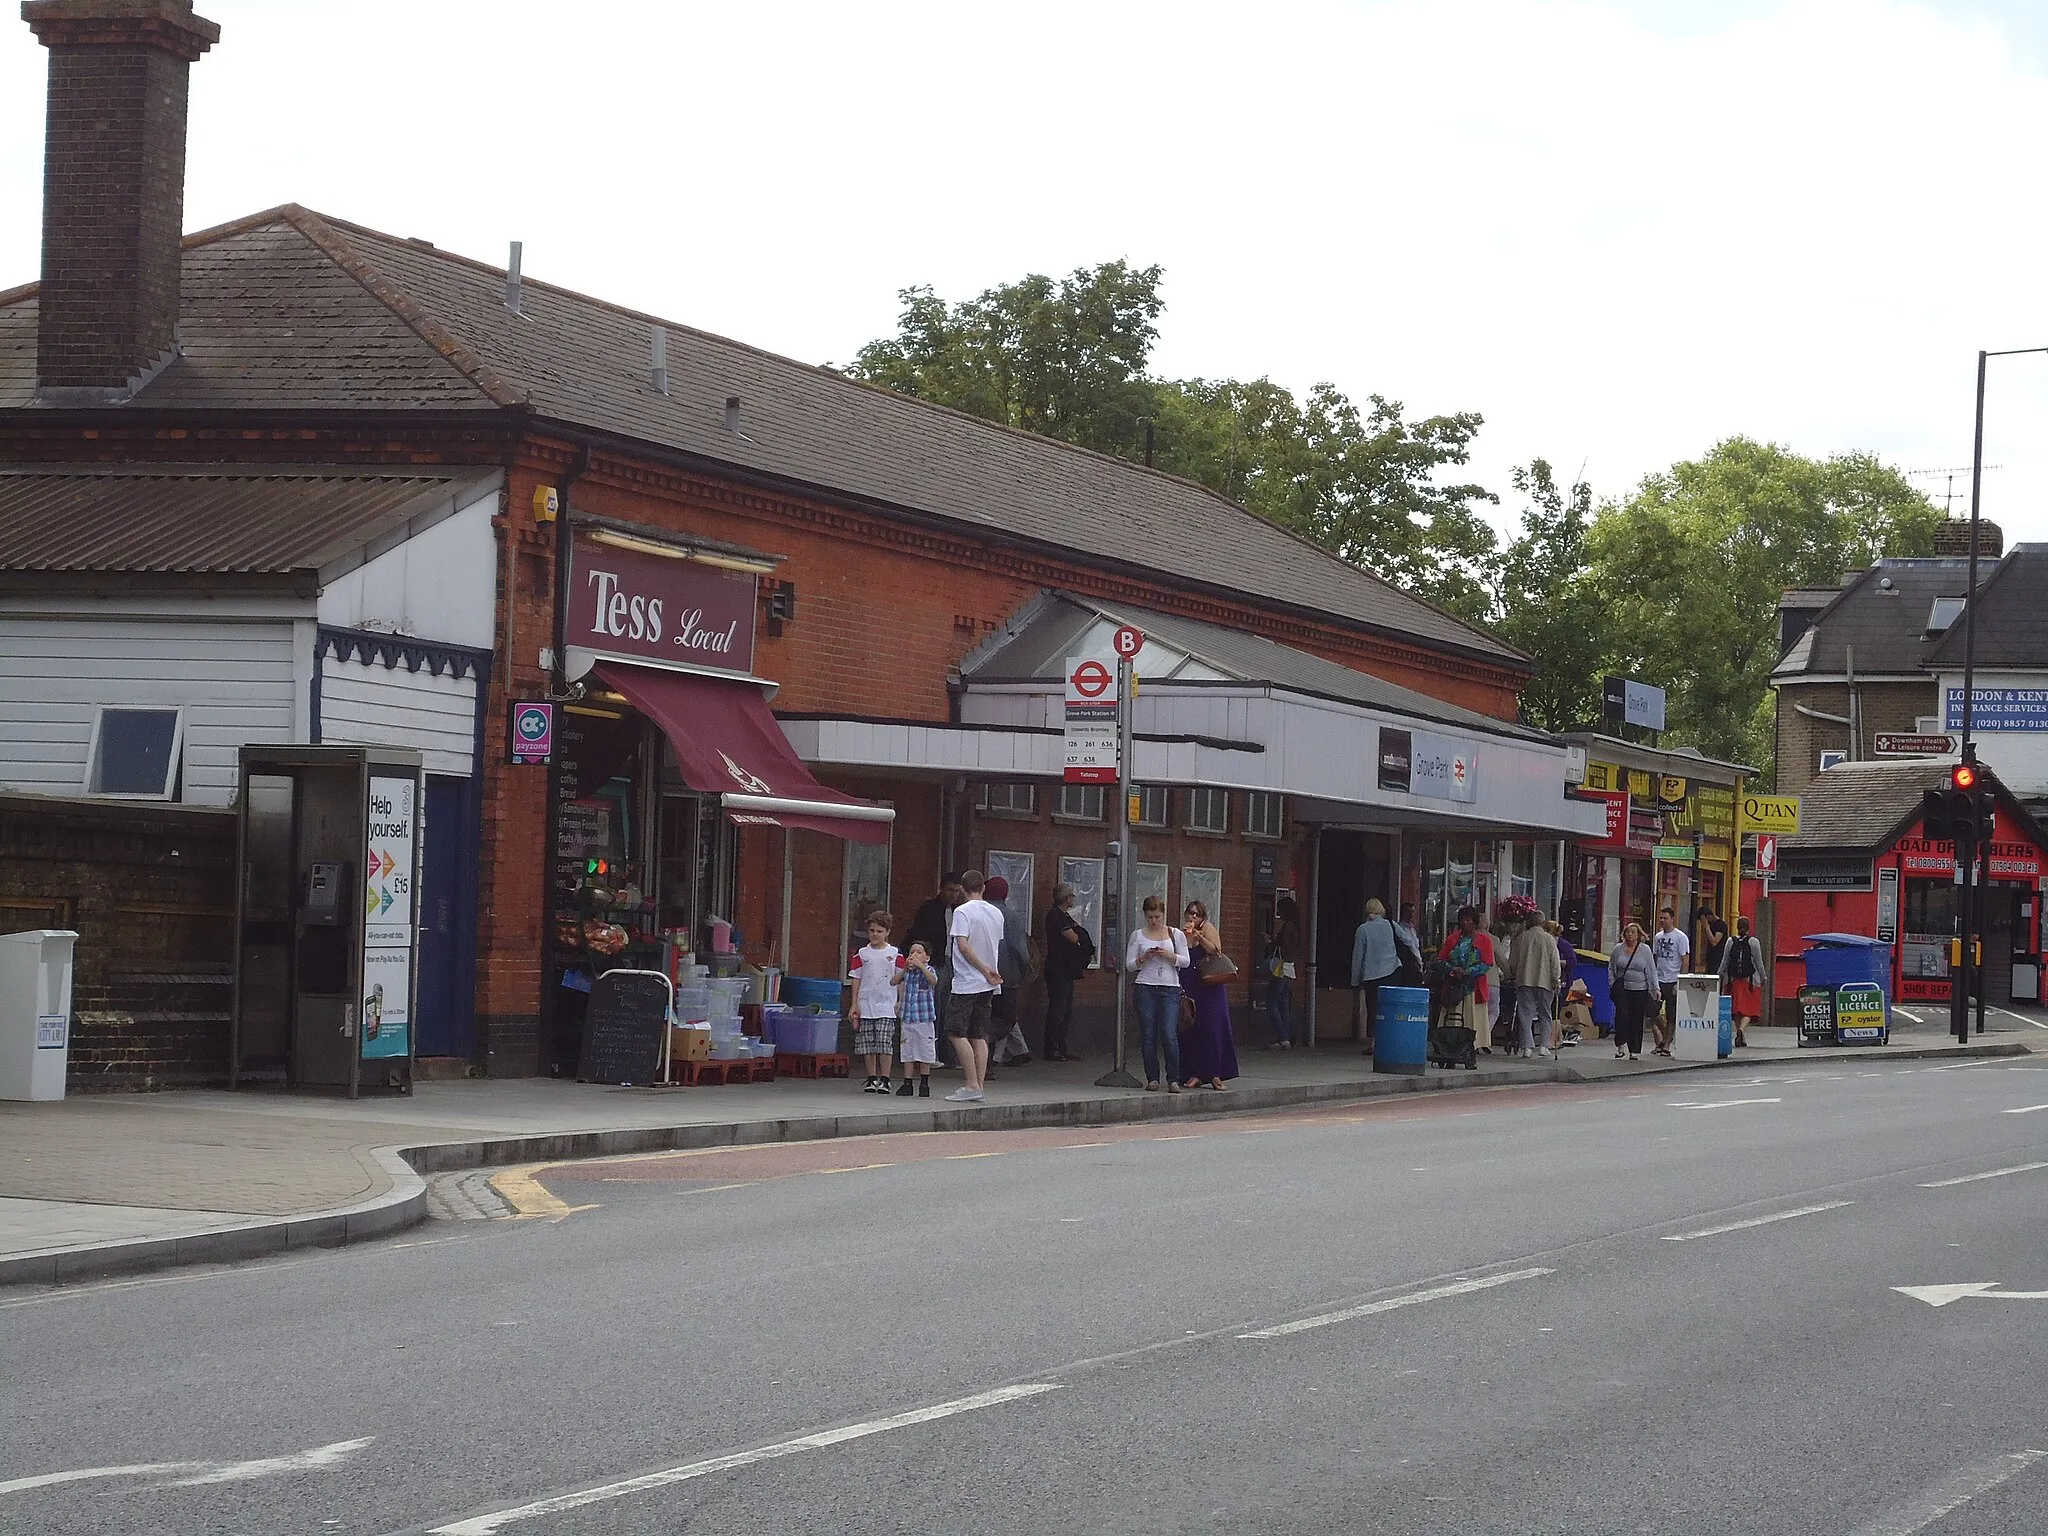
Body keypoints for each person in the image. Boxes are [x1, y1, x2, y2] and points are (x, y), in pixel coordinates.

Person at [943, 869, 1004, 1102]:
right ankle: (980, 1085)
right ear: (983, 888)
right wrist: (989, 970)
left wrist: (981, 968)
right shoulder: (996, 913)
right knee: (979, 1034)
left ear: (962, 888)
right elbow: (993, 943)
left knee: (956, 1032)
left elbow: (963, 946)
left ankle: (971, 1084)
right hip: (988, 984)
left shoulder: (962, 912)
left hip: (968, 981)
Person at [1126, 896, 1189, 1092]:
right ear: (1145, 916)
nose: (1154, 921)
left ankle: (1174, 1078)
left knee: (1169, 1034)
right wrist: (1144, 957)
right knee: (1148, 1034)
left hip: (1170, 987)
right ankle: (1152, 1077)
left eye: (1158, 917)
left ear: (1163, 915)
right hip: (1146, 986)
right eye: (1150, 917)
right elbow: (1129, 965)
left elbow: (1185, 961)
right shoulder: (1138, 935)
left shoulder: (1175, 934)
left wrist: (1169, 955)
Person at [1179, 900, 1240, 1090]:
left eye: (1196, 914)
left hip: (1209, 985)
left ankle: (1215, 1073)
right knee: (1191, 1027)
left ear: (1203, 917)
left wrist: (1199, 937)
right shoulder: (1181, 934)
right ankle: (1194, 1073)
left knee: (1212, 1029)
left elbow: (1216, 950)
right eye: (1190, 913)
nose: (1192, 917)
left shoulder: (1207, 929)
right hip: (1191, 984)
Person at [982, 876, 1032, 1069]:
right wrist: (1023, 969)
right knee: (1005, 1019)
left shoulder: (979, 913)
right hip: (1007, 977)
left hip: (981, 975)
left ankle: (986, 1062)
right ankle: (986, 1041)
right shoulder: (1010, 916)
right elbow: (1020, 948)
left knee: (986, 1015)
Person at [848, 911, 901, 1093]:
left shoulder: (894, 954)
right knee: (867, 1043)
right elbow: (856, 978)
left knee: (884, 1042)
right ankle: (871, 1077)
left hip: (886, 1004)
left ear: (887, 932)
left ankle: (885, 1078)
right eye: (872, 931)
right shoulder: (861, 954)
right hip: (866, 1003)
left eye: (879, 931)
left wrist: (899, 1000)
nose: (875, 934)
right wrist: (854, 1003)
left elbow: (900, 977)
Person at [1042, 882, 1092, 1062]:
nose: (1073, 899)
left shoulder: (1064, 916)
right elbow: (1073, 938)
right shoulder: (1056, 916)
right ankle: (1052, 1047)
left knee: (1066, 1009)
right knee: (1058, 1008)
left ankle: (1062, 1046)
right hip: (1058, 968)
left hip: (1065, 969)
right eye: (1071, 896)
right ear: (1065, 898)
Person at [1434, 905, 1494, 1044]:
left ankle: (1472, 1044)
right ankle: (1451, 1043)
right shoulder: (1452, 939)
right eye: (1462, 920)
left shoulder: (1484, 940)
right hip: (1453, 987)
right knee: (1453, 1016)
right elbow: (1440, 960)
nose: (1465, 923)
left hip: (1474, 988)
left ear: (1475, 922)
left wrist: (1467, 972)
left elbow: (1487, 963)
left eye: (1468, 920)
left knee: (1473, 1017)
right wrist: (1452, 970)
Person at [1508, 906, 1561, 1060]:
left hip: (1524, 980)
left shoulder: (1521, 938)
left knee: (1525, 1014)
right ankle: (1544, 1045)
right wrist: (1556, 980)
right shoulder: (1549, 939)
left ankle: (1527, 1047)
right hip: (1545, 981)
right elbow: (1555, 962)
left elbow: (1513, 961)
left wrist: (1512, 974)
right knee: (1545, 1013)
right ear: (1542, 922)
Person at [1350, 898, 1400, 1050]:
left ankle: (1374, 1043)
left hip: (1371, 976)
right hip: (1391, 972)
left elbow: (1358, 956)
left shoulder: (1362, 929)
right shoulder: (1390, 925)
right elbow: (1408, 940)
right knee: (1390, 1007)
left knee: (1373, 1009)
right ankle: (1390, 1040)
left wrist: (1355, 981)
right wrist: (1418, 959)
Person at [892, 940, 939, 1096]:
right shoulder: (908, 972)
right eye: (912, 952)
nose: (914, 955)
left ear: (927, 957)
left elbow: (934, 981)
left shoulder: (929, 970)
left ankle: (924, 1083)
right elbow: (894, 981)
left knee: (925, 1050)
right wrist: (905, 968)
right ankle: (907, 1082)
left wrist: (921, 967)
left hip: (923, 1017)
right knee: (908, 1050)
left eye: (919, 952)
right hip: (908, 1017)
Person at [1609, 920, 1657, 1062]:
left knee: (1636, 1019)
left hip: (1640, 989)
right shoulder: (1618, 949)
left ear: (1638, 935)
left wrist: (1655, 988)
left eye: (1633, 932)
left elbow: (1651, 970)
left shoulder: (1645, 950)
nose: (1630, 935)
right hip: (1622, 988)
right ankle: (1620, 1046)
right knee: (1622, 1016)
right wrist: (1612, 983)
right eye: (1628, 932)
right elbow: (1611, 967)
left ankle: (1634, 1050)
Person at [1719, 914, 1766, 1048]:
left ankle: (1740, 1034)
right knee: (1748, 1010)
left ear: (1737, 927)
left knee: (1736, 1010)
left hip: (1732, 980)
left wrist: (1720, 975)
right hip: (1750, 981)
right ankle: (1742, 1031)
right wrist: (1763, 977)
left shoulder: (1730, 941)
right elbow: (1758, 962)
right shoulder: (1754, 942)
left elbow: (1725, 961)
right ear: (1748, 928)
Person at [1262, 896, 1302, 1050]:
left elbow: (1283, 948)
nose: (1279, 913)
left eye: (1280, 910)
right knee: (1284, 1004)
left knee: (1271, 1001)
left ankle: (1283, 1037)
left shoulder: (1288, 926)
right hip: (1290, 968)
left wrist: (1270, 944)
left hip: (1281, 968)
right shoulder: (1296, 926)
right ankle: (1287, 1036)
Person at [1650, 906, 1690, 1058]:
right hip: (1659, 979)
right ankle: (1666, 1034)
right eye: (1660, 918)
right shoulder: (1658, 937)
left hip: (1673, 979)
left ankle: (1666, 1044)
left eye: (1665, 918)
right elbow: (1655, 957)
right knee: (1652, 1011)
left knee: (1671, 1014)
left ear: (1672, 919)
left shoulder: (1680, 937)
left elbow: (1684, 960)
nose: (1662, 921)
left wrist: (1680, 980)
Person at [1547, 919, 1578, 1050]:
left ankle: (1555, 1040)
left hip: (1563, 980)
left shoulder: (1563, 944)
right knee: (1550, 1009)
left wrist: (1558, 962)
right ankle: (1553, 1038)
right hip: (1547, 980)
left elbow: (1572, 961)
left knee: (1555, 1009)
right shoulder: (1546, 943)